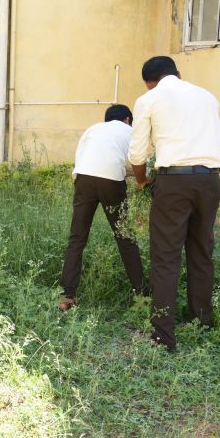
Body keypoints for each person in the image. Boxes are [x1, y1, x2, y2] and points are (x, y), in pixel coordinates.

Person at [129, 56, 220, 352]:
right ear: (178, 74)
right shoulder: (208, 97)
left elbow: (137, 154)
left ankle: (163, 337)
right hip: (210, 180)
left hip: (173, 182)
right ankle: (201, 321)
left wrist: (142, 180)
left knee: (165, 256)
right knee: (201, 252)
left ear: (149, 82)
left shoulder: (149, 99)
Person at [57, 104, 146, 311]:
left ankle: (67, 297)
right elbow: (136, 161)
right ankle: (142, 295)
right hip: (111, 181)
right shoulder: (129, 131)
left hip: (84, 179)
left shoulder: (93, 129)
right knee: (125, 237)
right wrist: (143, 180)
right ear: (127, 120)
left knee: (77, 238)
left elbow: (80, 158)